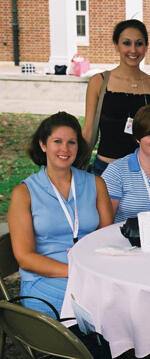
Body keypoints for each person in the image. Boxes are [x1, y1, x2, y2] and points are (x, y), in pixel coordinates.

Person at [8, 112, 112, 317]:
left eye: (71, 142)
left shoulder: (96, 184)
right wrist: (76, 271)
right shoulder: (24, 193)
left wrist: (93, 271)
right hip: (46, 280)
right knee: (103, 307)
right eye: (57, 141)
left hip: (91, 273)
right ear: (43, 145)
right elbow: (26, 258)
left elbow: (105, 238)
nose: (65, 149)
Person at [83, 19, 150, 176]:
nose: (133, 50)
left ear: (146, 46)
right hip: (105, 171)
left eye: (139, 43)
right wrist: (74, 167)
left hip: (144, 173)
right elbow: (88, 131)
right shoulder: (99, 82)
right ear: (116, 45)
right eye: (127, 43)